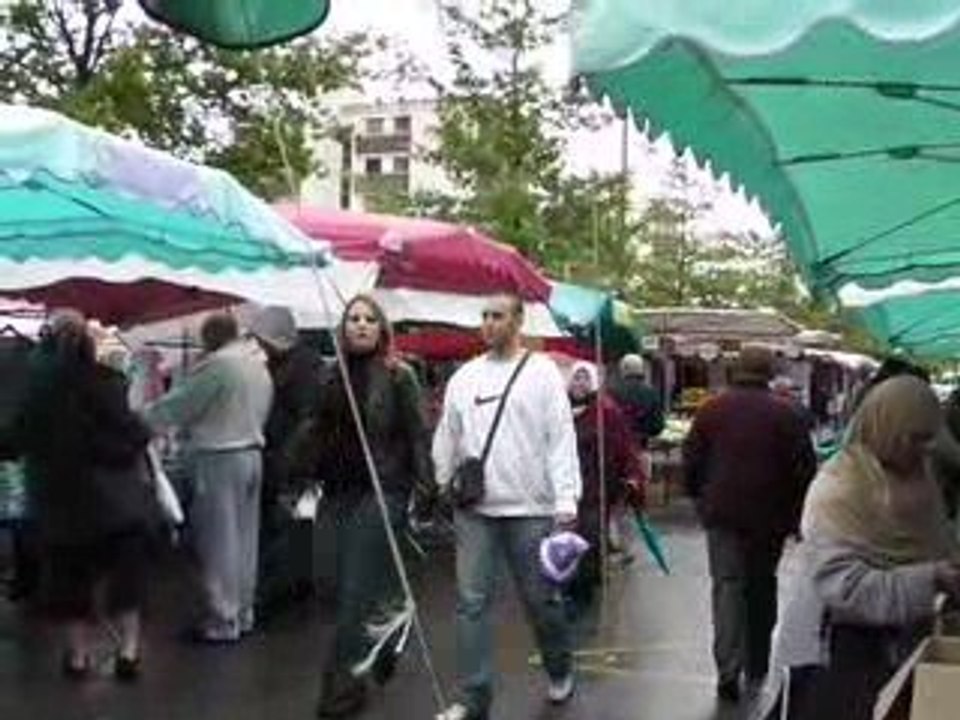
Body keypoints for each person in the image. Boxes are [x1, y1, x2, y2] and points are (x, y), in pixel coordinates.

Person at [771, 376, 960, 720]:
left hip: (897, 651)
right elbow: (844, 587)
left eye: (927, 440)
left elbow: (937, 540)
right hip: (835, 655)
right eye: (914, 438)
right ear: (886, 427)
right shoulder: (840, 488)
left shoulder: (921, 476)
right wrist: (931, 578)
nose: (922, 449)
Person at [432, 292, 582, 720]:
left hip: (530, 508)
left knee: (540, 600)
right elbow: (449, 434)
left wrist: (565, 499)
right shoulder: (465, 377)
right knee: (470, 602)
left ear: (518, 321)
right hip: (475, 509)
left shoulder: (542, 375)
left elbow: (559, 439)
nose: (488, 324)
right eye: (484, 316)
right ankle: (473, 697)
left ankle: (559, 665)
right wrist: (443, 481)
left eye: (497, 316)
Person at [311, 294, 433, 718]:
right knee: (328, 586)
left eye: (369, 319)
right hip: (335, 494)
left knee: (353, 597)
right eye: (353, 319)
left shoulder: (400, 376)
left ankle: (340, 694)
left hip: (381, 493)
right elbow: (314, 433)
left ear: (382, 329)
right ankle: (390, 624)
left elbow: (418, 435)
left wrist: (423, 491)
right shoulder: (330, 376)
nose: (360, 325)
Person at [17, 310, 156, 680]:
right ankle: (128, 653)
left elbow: (13, 440)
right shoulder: (108, 381)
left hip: (61, 504)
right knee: (127, 579)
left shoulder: (35, 390)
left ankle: (77, 658)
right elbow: (137, 433)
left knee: (69, 583)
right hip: (115, 502)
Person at [683, 345, 816, 702]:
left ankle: (728, 669)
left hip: (722, 515)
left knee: (727, 587)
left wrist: (700, 499)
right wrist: (795, 515)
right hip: (769, 519)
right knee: (761, 586)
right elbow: (805, 470)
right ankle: (757, 661)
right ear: (770, 372)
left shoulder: (711, 410)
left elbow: (691, 461)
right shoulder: (789, 414)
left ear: (735, 370)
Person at [145, 312, 273, 643]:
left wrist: (139, 419)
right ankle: (243, 613)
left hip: (218, 457)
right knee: (246, 541)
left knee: (220, 543)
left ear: (212, 337)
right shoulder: (258, 366)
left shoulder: (219, 366)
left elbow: (181, 405)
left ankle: (222, 619)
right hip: (252, 454)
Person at [247, 305, 325, 616]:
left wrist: (288, 458)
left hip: (292, 459)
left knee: (286, 524)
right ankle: (292, 583)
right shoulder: (283, 363)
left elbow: (308, 418)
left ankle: (281, 588)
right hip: (281, 455)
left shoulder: (303, 365)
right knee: (288, 523)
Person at [566, 361, 642, 617]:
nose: (580, 384)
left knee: (589, 538)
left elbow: (624, 445)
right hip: (565, 486)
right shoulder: (557, 410)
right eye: (576, 379)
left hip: (596, 486)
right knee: (566, 540)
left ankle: (586, 594)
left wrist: (631, 475)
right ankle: (572, 587)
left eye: (585, 379)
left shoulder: (606, 412)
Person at [610, 353, 664, 447]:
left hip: (618, 447)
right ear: (641, 369)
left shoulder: (612, 392)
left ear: (623, 369)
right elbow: (658, 425)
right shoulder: (651, 392)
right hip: (642, 446)